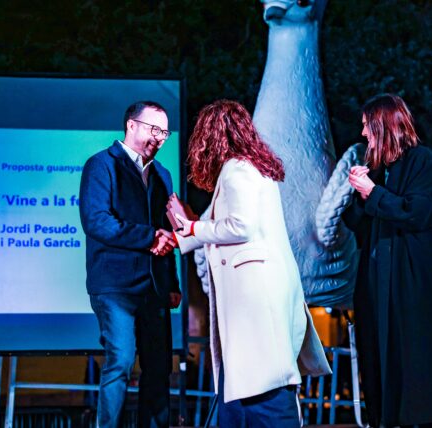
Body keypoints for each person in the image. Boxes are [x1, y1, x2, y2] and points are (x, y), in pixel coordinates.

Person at [172, 100, 329, 428]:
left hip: (252, 298)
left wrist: (192, 228)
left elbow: (240, 226)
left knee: (262, 388)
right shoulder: (253, 168)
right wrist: (183, 235)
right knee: (248, 387)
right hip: (261, 295)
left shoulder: (237, 170)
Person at [344, 94, 432, 428]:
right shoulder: (380, 171)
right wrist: (361, 190)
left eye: (367, 126)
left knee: (413, 363)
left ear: (383, 126)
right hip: (377, 286)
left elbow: (417, 213)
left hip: (410, 286)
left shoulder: (425, 162)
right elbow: (355, 223)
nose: (363, 134)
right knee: (378, 362)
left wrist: (372, 193)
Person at [79, 100, 181, 428]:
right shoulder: (101, 165)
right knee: (120, 361)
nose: (160, 138)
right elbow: (97, 221)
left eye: (164, 133)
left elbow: (167, 230)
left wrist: (173, 282)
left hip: (155, 286)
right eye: (154, 130)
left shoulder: (163, 174)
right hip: (115, 286)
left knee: (159, 367)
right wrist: (149, 237)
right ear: (131, 125)